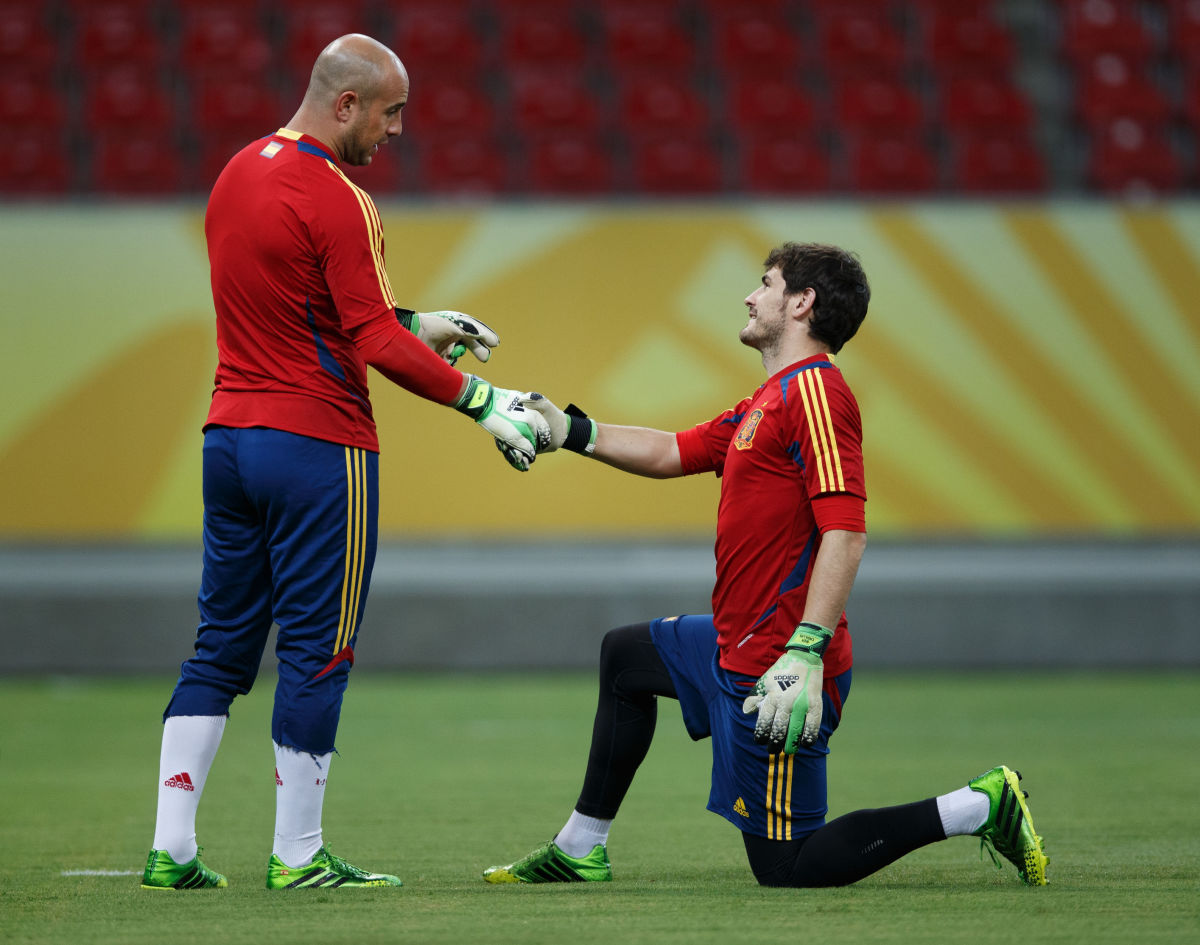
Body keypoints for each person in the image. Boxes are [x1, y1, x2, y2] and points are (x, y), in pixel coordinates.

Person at [483, 242, 1049, 888]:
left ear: (802, 303)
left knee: (788, 864)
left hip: (778, 667)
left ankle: (979, 804)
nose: (751, 296)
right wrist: (571, 432)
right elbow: (672, 449)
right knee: (625, 659)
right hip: (731, 644)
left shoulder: (817, 395)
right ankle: (580, 845)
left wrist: (807, 650)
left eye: (766, 283)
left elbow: (847, 532)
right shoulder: (768, 399)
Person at [141, 34, 549, 891]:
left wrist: (417, 318)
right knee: (319, 652)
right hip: (318, 448)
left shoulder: (238, 171)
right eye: (391, 112)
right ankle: (297, 855)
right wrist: (483, 403)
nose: (397, 131)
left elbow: (310, 305)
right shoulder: (342, 195)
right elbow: (367, 339)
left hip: (230, 440)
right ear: (346, 104)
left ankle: (171, 847)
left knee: (218, 649)